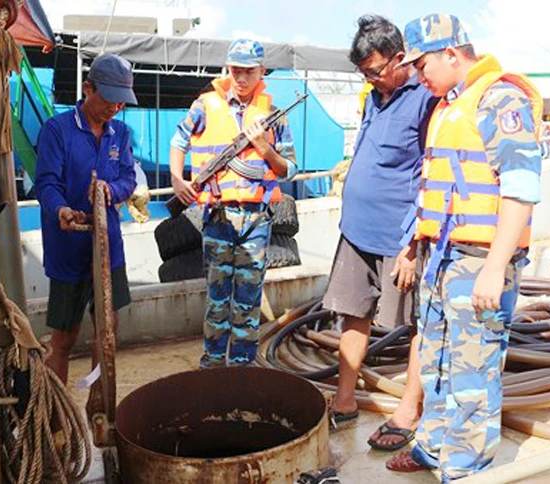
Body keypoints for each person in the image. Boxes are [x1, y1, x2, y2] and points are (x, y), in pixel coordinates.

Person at [385, 14, 543, 481]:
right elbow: (441, 187)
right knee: (435, 357)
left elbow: (520, 188)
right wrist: (414, 245)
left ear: (450, 54)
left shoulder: (501, 100)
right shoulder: (448, 105)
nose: (418, 75)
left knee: (473, 375)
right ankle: (433, 448)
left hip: (478, 262)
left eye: (422, 65)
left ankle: (465, 471)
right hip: (441, 259)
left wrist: (496, 268)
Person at [322, 15, 438, 452]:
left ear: (400, 58)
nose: (370, 78)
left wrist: (412, 245)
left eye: (374, 70)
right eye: (363, 72)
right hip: (356, 232)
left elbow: (431, 175)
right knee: (354, 313)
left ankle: (408, 409)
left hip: (399, 238)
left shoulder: (425, 99)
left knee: (415, 325)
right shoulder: (374, 96)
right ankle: (344, 398)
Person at [170, 39, 298, 368]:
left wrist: (264, 148)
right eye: (235, 71)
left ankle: (241, 365)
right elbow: (178, 140)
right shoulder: (205, 105)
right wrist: (176, 179)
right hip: (218, 215)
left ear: (262, 71)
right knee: (217, 296)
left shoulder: (272, 114)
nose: (241, 78)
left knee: (248, 298)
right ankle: (213, 364)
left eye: (248, 72)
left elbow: (290, 169)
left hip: (256, 220)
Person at [34, 54, 138, 408]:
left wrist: (113, 190)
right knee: (63, 336)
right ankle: (54, 411)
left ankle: (99, 400)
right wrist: (61, 210)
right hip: (67, 249)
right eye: (108, 98)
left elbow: (127, 178)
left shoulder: (120, 133)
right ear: (87, 88)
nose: (115, 107)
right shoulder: (57, 129)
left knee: (107, 331)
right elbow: (46, 184)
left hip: (109, 246)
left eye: (121, 101)